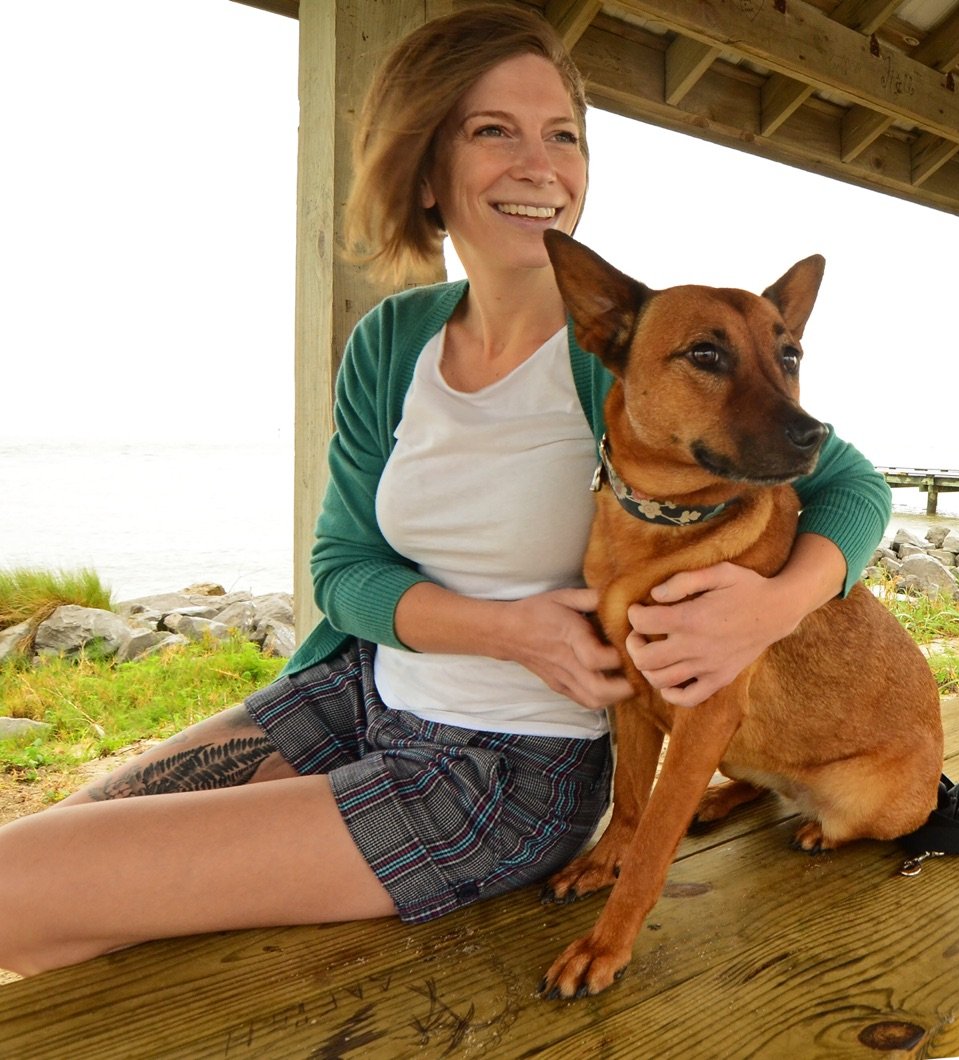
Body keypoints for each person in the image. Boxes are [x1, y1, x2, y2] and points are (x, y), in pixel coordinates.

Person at [0, 2, 890, 977]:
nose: (540, 163)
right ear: (426, 166)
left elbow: (844, 483)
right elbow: (343, 570)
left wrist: (769, 606)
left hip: (494, 772)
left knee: (18, 893)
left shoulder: (628, 353)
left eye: (563, 136)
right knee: (53, 896)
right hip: (357, 688)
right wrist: (507, 628)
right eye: (492, 130)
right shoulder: (392, 341)